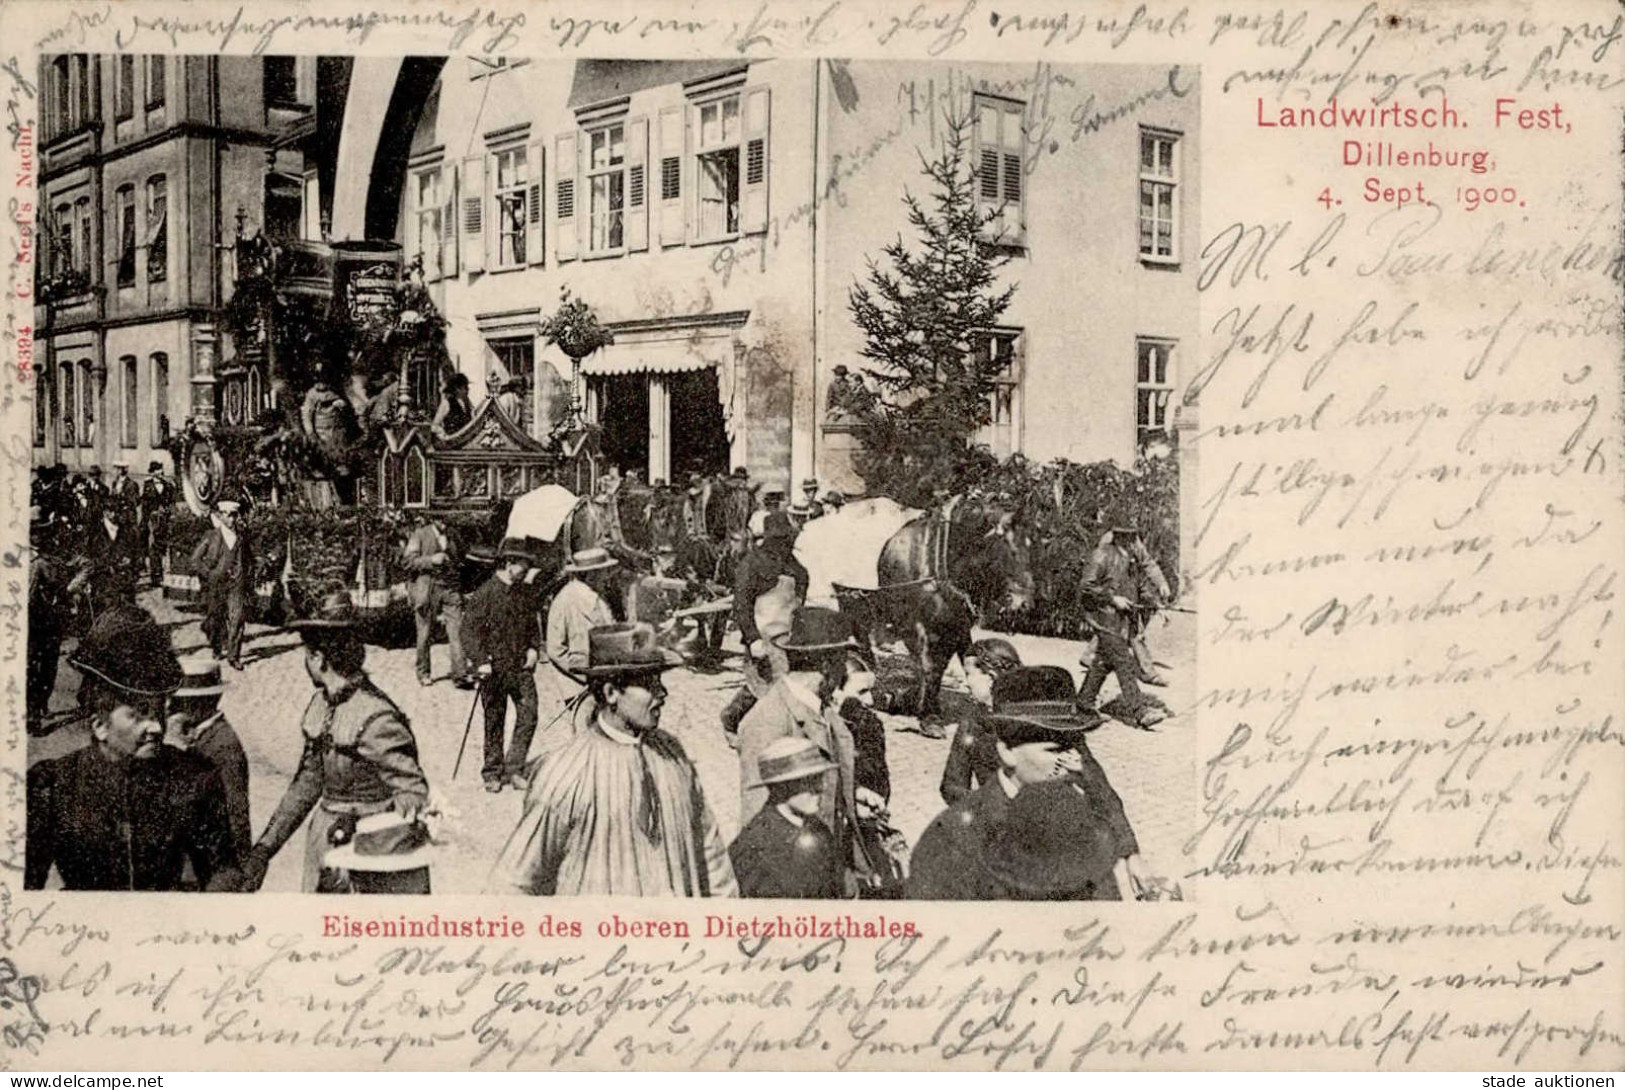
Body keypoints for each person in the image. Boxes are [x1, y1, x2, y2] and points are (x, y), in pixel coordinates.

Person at [488, 623, 737, 897]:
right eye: (648, 684)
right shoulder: (566, 774)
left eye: (660, 681)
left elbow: (711, 856)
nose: (662, 694)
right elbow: (513, 883)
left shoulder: (673, 755)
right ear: (610, 693)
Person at [26, 609, 239, 891]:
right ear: (99, 725)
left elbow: (222, 870)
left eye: (159, 711)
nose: (157, 727)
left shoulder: (195, 778)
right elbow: (23, 887)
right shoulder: (53, 785)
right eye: (138, 715)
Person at [240, 590, 430, 893]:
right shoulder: (321, 704)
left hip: (376, 871)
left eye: (306, 652)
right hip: (325, 851)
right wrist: (265, 848)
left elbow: (415, 798)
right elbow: (308, 782)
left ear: (318, 657)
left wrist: (363, 833)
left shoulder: (377, 717)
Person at [909, 666, 1146, 900]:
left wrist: (1130, 852)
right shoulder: (957, 840)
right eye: (1054, 750)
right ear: (1007, 752)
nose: (1073, 762)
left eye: (1073, 746)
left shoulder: (1085, 834)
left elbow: (1102, 793)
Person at [736, 606, 870, 896]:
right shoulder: (767, 721)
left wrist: (852, 795)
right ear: (827, 665)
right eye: (841, 661)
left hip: (827, 864)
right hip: (793, 880)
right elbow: (757, 822)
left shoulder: (820, 709)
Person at [720, 511, 808, 745]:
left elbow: (800, 595)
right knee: (761, 686)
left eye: (786, 538)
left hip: (788, 637)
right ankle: (731, 718)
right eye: (779, 539)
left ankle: (780, 732)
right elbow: (742, 604)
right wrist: (752, 639)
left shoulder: (795, 566)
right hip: (763, 637)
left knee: (782, 685)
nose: (784, 543)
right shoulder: (752, 563)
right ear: (769, 538)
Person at [464, 540, 544, 793]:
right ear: (509, 564)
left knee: (529, 714)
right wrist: (480, 661)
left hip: (520, 667)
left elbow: (532, 625)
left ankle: (515, 768)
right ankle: (492, 772)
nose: (527, 570)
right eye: (523, 565)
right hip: (494, 670)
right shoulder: (485, 594)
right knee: (494, 719)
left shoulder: (524, 593)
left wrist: (533, 648)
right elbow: (468, 631)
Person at [1076, 524, 1171, 730]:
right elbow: (1086, 587)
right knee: (1124, 661)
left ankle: (1083, 705)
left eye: (1134, 537)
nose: (1133, 541)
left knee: (1103, 663)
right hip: (1104, 619)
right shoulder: (1101, 555)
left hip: (1121, 622)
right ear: (1118, 536)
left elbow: (1140, 588)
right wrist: (1112, 599)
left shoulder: (1131, 558)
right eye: (1128, 537)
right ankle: (1140, 711)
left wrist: (1156, 604)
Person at [729, 737, 843, 899]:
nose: (820, 788)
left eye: (818, 778)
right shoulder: (753, 847)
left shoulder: (819, 830)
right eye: (807, 782)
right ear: (780, 787)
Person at [166, 656, 252, 861]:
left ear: (199, 703)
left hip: (211, 854)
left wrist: (240, 867)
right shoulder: (188, 734)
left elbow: (236, 813)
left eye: (178, 701)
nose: (170, 708)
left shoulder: (224, 744)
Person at [939, 637, 1024, 804]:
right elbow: (951, 786)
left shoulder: (1039, 720)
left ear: (991, 677)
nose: (966, 683)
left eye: (968, 674)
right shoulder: (971, 723)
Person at [402, 512, 468, 688]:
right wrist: (431, 559)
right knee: (424, 632)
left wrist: (454, 558)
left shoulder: (454, 535)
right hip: (427, 587)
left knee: (457, 630)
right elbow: (407, 562)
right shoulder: (420, 535)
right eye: (441, 520)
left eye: (448, 520)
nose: (445, 525)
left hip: (450, 587)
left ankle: (460, 674)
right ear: (434, 519)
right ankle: (423, 672)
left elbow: (462, 558)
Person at [191, 501, 254, 670]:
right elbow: (195, 560)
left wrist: (249, 580)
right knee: (215, 618)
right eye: (227, 515)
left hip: (236, 584)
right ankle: (217, 646)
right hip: (217, 584)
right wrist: (208, 574)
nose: (231, 519)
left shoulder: (241, 536)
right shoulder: (211, 535)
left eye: (233, 515)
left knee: (237, 619)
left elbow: (249, 559)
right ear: (220, 516)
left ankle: (234, 656)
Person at [546, 547, 618, 682]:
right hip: (580, 682)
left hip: (604, 676)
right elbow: (555, 649)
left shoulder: (598, 596)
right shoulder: (567, 599)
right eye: (605, 571)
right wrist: (583, 674)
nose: (608, 576)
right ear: (591, 574)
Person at [140, 460, 175, 587]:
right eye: (156, 470)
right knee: (153, 547)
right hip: (152, 520)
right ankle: (155, 576)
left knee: (162, 546)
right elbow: (145, 505)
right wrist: (144, 522)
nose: (159, 472)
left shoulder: (168, 486)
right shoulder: (147, 485)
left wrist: (169, 515)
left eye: (160, 469)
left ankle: (164, 574)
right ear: (152, 472)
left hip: (164, 520)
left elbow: (171, 503)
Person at [432, 373, 474, 439]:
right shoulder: (447, 403)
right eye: (465, 387)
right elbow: (435, 426)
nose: (468, 390)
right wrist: (445, 436)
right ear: (457, 388)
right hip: (453, 441)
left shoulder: (468, 403)